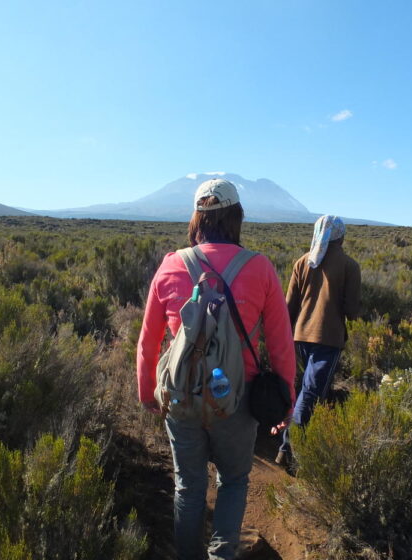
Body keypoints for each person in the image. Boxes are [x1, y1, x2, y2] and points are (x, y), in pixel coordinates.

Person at [137, 178, 296, 560]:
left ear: (197, 218)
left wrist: (149, 395)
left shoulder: (171, 265)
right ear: (236, 217)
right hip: (238, 401)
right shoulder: (260, 268)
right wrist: (285, 403)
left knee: (188, 487)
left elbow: (148, 342)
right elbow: (280, 344)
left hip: (181, 397)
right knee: (234, 481)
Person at [276, 214, 361, 465]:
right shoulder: (349, 266)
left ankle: (303, 445)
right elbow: (352, 311)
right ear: (340, 237)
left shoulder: (302, 262)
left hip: (300, 337)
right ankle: (289, 450)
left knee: (307, 390)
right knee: (311, 393)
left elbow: (288, 306)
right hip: (328, 338)